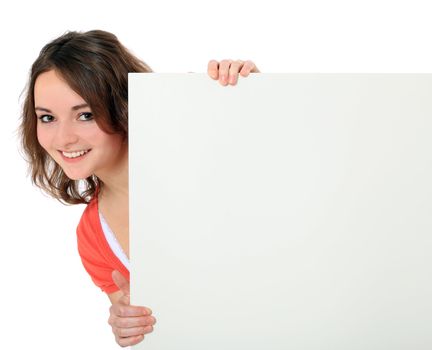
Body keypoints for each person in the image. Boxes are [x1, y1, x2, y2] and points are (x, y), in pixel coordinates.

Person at [19, 29, 259, 347]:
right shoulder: (93, 235)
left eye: (85, 115)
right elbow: (152, 324)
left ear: (121, 107)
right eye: (47, 117)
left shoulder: (197, 144)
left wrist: (253, 98)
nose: (64, 139)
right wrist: (129, 326)